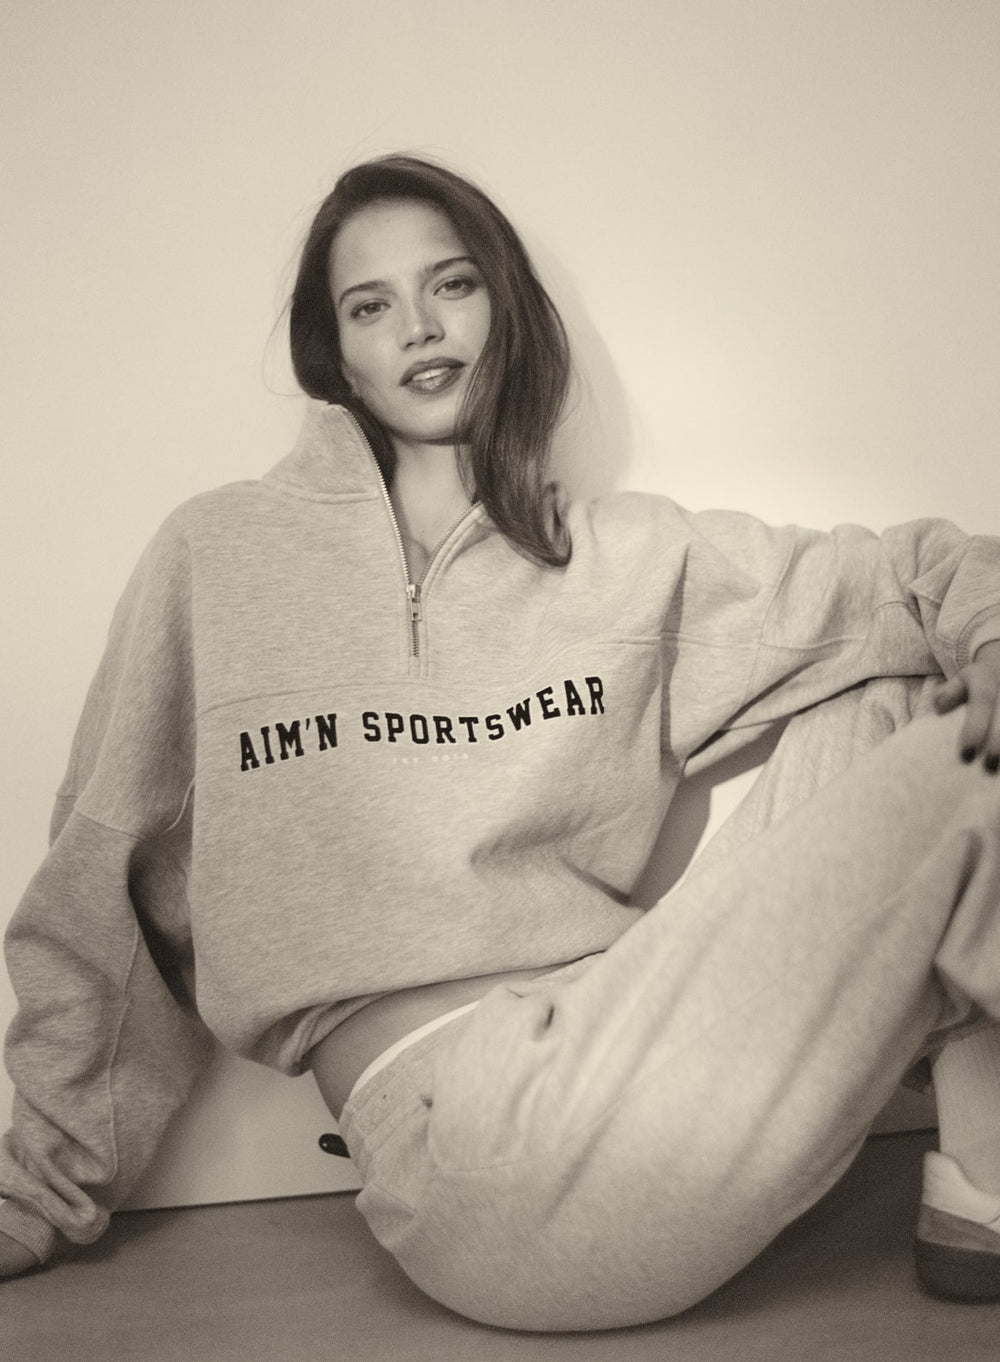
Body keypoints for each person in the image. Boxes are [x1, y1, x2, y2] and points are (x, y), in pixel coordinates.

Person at [2, 153, 1000, 1331]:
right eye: (369, 306)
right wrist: (38, 1183)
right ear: (335, 353)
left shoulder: (626, 558)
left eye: (452, 284)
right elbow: (106, 868)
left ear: (504, 305)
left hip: (629, 1052)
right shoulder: (217, 554)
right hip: (468, 1150)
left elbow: (917, 575)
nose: (419, 328)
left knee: (915, 693)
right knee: (952, 739)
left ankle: (979, 1178)